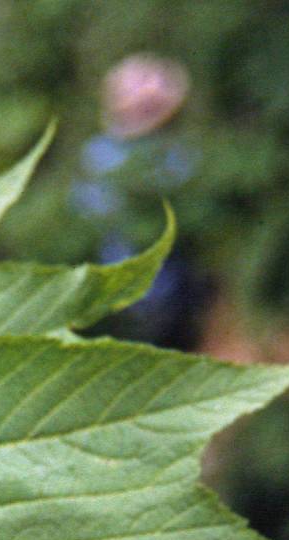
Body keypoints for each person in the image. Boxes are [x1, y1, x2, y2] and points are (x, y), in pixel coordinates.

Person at [73, 54, 205, 349]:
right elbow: (87, 205)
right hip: (123, 260)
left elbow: (192, 197)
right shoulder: (100, 152)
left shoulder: (175, 151)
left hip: (174, 266)